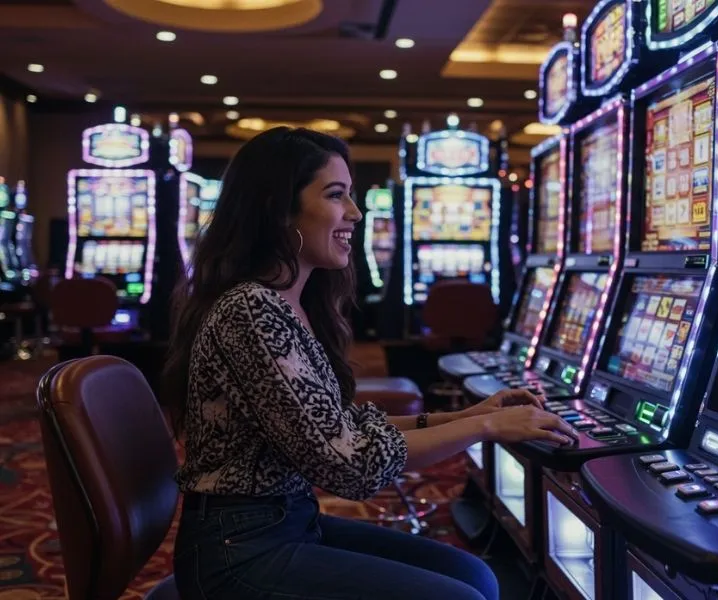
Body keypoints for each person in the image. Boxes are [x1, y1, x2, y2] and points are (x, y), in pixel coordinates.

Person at [162, 126, 579, 600]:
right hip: (240, 550)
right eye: (336, 195)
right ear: (278, 210)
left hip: (285, 523)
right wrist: (486, 430)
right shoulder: (251, 310)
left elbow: (338, 427)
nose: (356, 214)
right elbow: (351, 467)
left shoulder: (284, 304)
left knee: (477, 578)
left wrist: (467, 416)